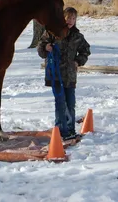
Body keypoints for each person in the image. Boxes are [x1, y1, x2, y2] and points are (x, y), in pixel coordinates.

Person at [37, 7, 91, 140]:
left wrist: (78, 61)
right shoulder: (52, 32)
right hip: (56, 73)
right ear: (63, 18)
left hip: (70, 75)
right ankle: (61, 130)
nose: (70, 21)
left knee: (70, 103)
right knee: (60, 102)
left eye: (73, 18)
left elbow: (86, 50)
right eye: (68, 18)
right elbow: (40, 47)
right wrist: (46, 48)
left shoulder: (77, 36)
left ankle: (70, 129)